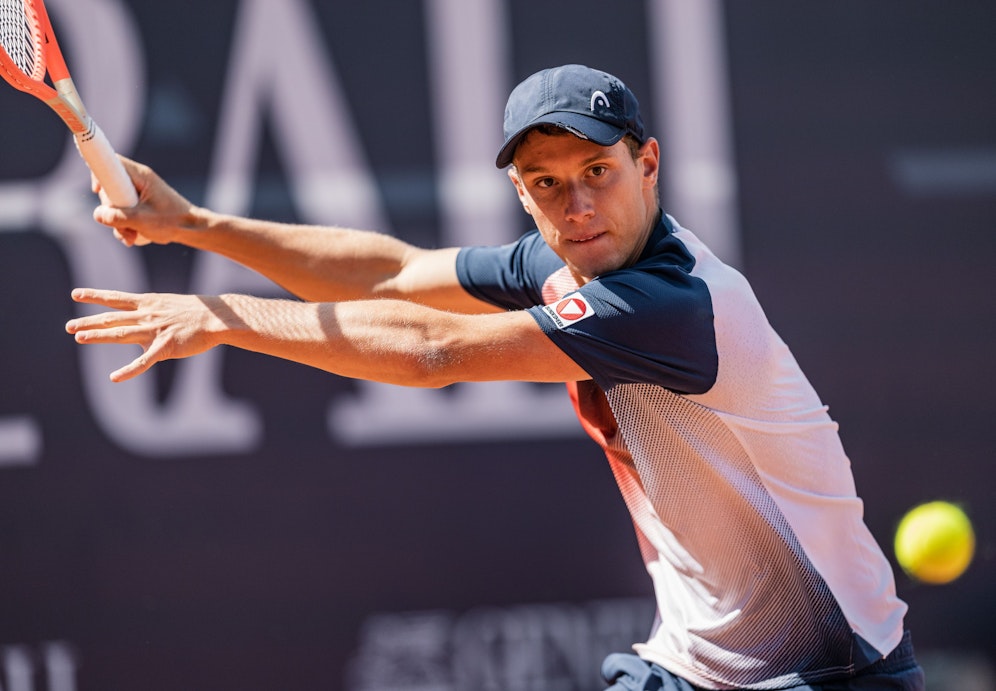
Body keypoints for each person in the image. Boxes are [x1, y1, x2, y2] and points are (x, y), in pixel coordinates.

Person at [66, 64, 924, 690]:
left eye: (598, 173)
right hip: (692, 665)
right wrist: (195, 224)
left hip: (834, 670)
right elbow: (394, 273)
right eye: (548, 184)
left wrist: (226, 316)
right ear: (521, 191)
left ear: (648, 164)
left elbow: (432, 350)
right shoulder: (566, 259)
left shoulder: (677, 304)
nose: (577, 206)